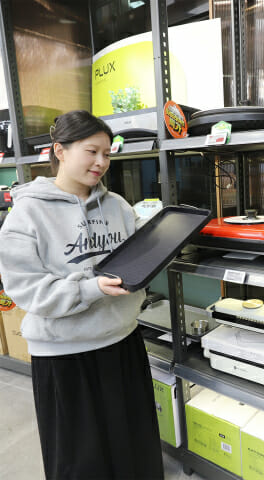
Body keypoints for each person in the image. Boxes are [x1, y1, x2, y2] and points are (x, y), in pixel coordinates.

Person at [0, 110, 164, 479]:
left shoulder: (117, 205)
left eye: (107, 153)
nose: (101, 162)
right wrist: (91, 288)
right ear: (60, 150)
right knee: (81, 461)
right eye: (92, 152)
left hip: (122, 342)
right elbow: (28, 290)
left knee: (133, 448)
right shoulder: (27, 214)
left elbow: (140, 254)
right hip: (65, 354)